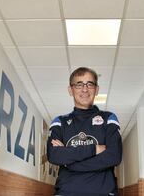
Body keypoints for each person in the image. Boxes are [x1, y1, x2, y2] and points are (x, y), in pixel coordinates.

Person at [47, 67, 122, 196]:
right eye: (79, 84)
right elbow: (54, 155)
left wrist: (69, 163)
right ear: (70, 90)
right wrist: (94, 150)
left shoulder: (109, 119)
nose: (85, 89)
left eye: (90, 84)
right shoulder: (60, 122)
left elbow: (114, 156)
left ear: (96, 89)